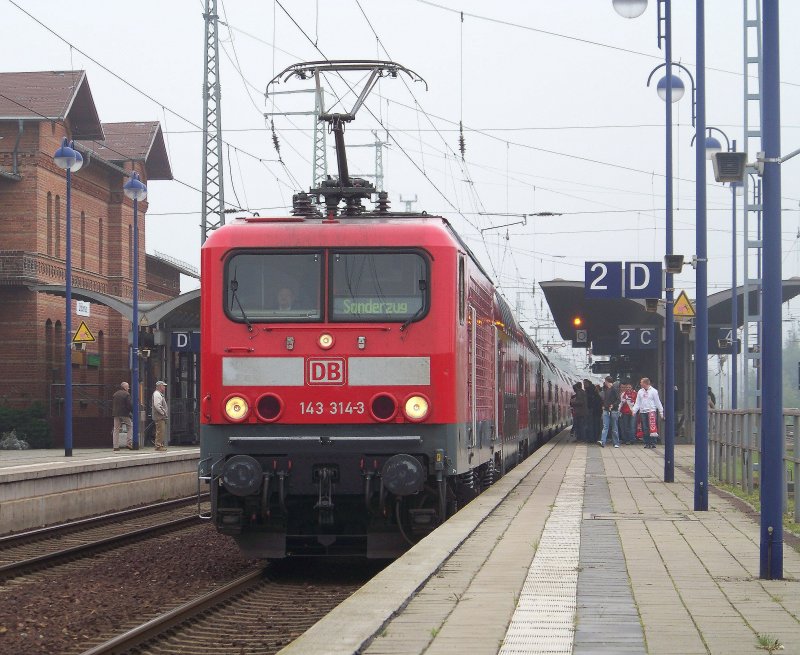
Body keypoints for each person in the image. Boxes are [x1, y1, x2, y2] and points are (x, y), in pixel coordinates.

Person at [632, 377, 665, 449]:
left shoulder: (654, 391)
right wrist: (634, 410)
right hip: (643, 411)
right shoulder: (640, 391)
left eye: (641, 382)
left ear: (645, 383)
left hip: (651, 411)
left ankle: (653, 442)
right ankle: (647, 442)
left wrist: (661, 412)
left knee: (652, 427)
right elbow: (638, 402)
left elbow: (657, 402)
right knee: (644, 428)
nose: (640, 384)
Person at [598, 376, 621, 448]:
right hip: (606, 410)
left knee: (614, 427)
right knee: (605, 426)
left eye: (605, 381)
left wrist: (613, 405)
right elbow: (606, 400)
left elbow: (618, 400)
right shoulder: (606, 389)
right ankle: (603, 441)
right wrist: (604, 405)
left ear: (606, 381)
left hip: (613, 410)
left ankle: (616, 443)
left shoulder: (614, 389)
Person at [111, 381, 133, 452]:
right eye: (128, 387)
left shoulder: (115, 394)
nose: (128, 388)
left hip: (116, 414)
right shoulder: (127, 394)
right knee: (129, 427)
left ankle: (115, 446)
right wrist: (132, 412)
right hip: (124, 413)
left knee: (116, 429)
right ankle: (129, 443)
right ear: (125, 387)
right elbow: (129, 405)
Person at [152, 380, 169, 452]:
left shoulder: (159, 394)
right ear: (160, 386)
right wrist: (163, 412)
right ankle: (158, 446)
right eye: (163, 386)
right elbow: (157, 405)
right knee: (160, 431)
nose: (164, 388)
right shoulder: (157, 394)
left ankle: (160, 445)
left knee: (161, 431)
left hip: (160, 416)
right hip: (159, 416)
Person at [619, 381, 637, 445]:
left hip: (633, 412)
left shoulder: (635, 393)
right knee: (625, 426)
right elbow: (620, 403)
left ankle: (632, 439)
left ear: (632, 387)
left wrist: (632, 401)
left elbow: (637, 403)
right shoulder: (623, 394)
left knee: (632, 426)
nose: (628, 388)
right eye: (627, 387)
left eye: (629, 387)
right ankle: (626, 440)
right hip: (625, 412)